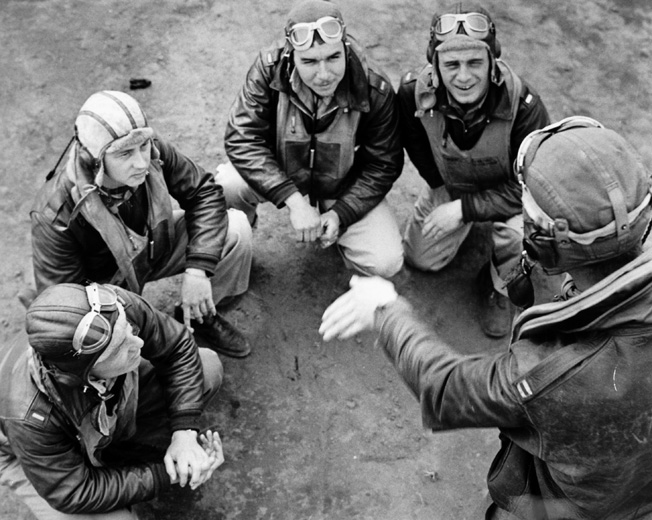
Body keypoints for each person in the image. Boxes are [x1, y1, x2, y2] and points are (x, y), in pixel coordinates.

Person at [320, 117, 652, 519]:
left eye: (529, 215)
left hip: (569, 506)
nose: (523, 221)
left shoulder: (555, 371)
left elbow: (445, 388)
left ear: (547, 245)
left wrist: (386, 308)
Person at [30, 90, 254, 358]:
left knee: (235, 229)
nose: (141, 162)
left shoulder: (151, 146)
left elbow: (203, 192)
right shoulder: (54, 213)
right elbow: (65, 305)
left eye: (143, 147)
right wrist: (128, 327)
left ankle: (199, 313)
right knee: (132, 359)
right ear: (95, 160)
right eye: (124, 153)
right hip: (107, 287)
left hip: (154, 244)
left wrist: (198, 270)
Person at [0, 282, 225, 519]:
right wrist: (170, 472)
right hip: (22, 455)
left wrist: (185, 432)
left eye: (130, 329)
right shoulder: (28, 417)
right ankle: (109, 457)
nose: (138, 343)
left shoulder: (112, 307)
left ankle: (118, 450)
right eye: (119, 348)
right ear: (83, 374)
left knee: (206, 368)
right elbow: (75, 491)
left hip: (98, 397)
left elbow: (177, 346)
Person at [217, 0, 404, 278]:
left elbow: (383, 164)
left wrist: (342, 212)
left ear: (345, 48)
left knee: (386, 261)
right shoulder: (269, 69)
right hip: (283, 170)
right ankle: (239, 243)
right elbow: (242, 138)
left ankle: (340, 236)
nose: (324, 74)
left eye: (333, 58)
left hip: (343, 183)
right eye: (310, 62)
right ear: (291, 56)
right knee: (227, 185)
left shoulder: (375, 87)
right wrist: (293, 200)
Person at [397, 2, 550, 337]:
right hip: (455, 185)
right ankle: (468, 221)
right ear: (434, 64)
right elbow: (416, 144)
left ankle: (499, 283)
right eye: (451, 64)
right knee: (420, 259)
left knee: (518, 234)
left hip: (511, 194)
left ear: (492, 60)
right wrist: (439, 186)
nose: (463, 76)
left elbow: (531, 187)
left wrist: (463, 210)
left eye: (474, 62)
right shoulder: (413, 92)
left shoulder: (524, 107)